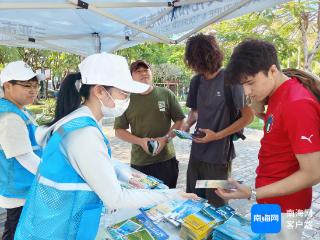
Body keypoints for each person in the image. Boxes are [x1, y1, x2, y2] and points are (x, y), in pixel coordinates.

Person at [14, 53, 198, 240]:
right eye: (123, 94)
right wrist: (171, 195)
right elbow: (116, 198)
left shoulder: (77, 119)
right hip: (59, 229)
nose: (126, 100)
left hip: (51, 221)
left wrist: (124, 173)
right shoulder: (84, 133)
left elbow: (98, 160)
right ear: (100, 91)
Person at [216, 39, 320, 240]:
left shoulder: (297, 104)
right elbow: (277, 126)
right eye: (242, 85)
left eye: (250, 83)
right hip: (268, 197)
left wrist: (252, 193)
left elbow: (314, 172)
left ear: (272, 71)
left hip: (286, 209)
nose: (246, 92)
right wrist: (257, 99)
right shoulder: (277, 92)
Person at [182, 33, 254, 207]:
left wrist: (217, 135)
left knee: (216, 203)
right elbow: (195, 112)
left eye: (197, 60)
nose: (195, 66)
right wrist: (186, 125)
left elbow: (248, 117)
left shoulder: (231, 80)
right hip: (196, 153)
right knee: (193, 199)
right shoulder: (196, 81)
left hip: (219, 157)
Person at [114, 60, 185, 188]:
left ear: (151, 73)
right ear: (131, 77)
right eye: (138, 71)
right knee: (145, 202)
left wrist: (165, 139)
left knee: (168, 199)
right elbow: (119, 131)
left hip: (167, 160)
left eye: (146, 70)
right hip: (140, 163)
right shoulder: (125, 99)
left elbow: (180, 120)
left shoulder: (166, 94)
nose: (143, 73)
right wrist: (141, 142)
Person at [0, 61, 43, 240]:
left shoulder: (19, 110)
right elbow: (25, 158)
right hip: (18, 191)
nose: (33, 90)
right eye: (26, 85)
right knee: (16, 232)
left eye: (35, 85)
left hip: (24, 186)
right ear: (7, 86)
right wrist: (54, 176)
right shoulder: (9, 116)